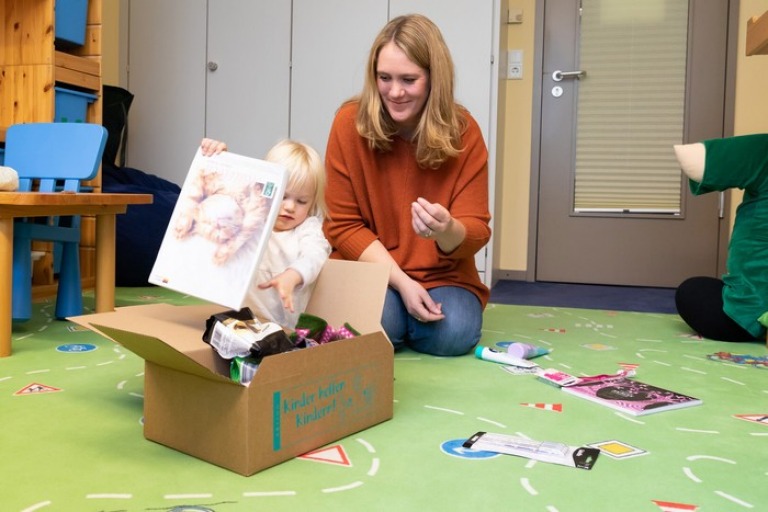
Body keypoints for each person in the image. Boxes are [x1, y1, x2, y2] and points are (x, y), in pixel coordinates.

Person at [322, 14, 491, 357]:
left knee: (453, 335)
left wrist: (446, 230)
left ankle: (400, 319)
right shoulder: (347, 124)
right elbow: (343, 225)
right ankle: (398, 315)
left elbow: (476, 230)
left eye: (409, 80)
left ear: (433, 80)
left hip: (444, 275)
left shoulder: (465, 132)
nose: (394, 92)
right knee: (383, 322)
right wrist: (401, 282)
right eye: (384, 78)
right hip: (369, 268)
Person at [201, 138, 331, 328]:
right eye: (283, 196)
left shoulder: (307, 229)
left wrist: (293, 275)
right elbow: (224, 198)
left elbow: (315, 255)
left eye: (302, 201)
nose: (290, 207)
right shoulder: (252, 218)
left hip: (285, 329)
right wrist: (220, 158)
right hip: (238, 322)